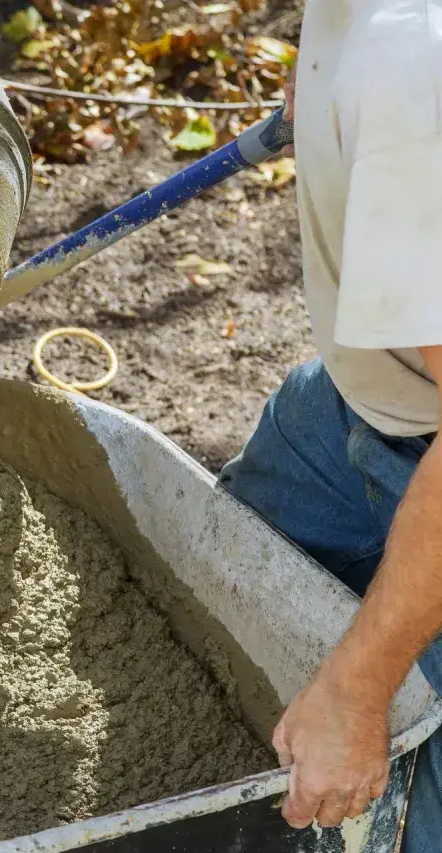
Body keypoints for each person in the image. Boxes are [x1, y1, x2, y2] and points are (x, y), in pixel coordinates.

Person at [216, 0, 442, 846]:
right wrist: (331, 88)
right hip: (358, 402)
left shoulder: (413, 72)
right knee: (212, 595)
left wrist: (356, 691)